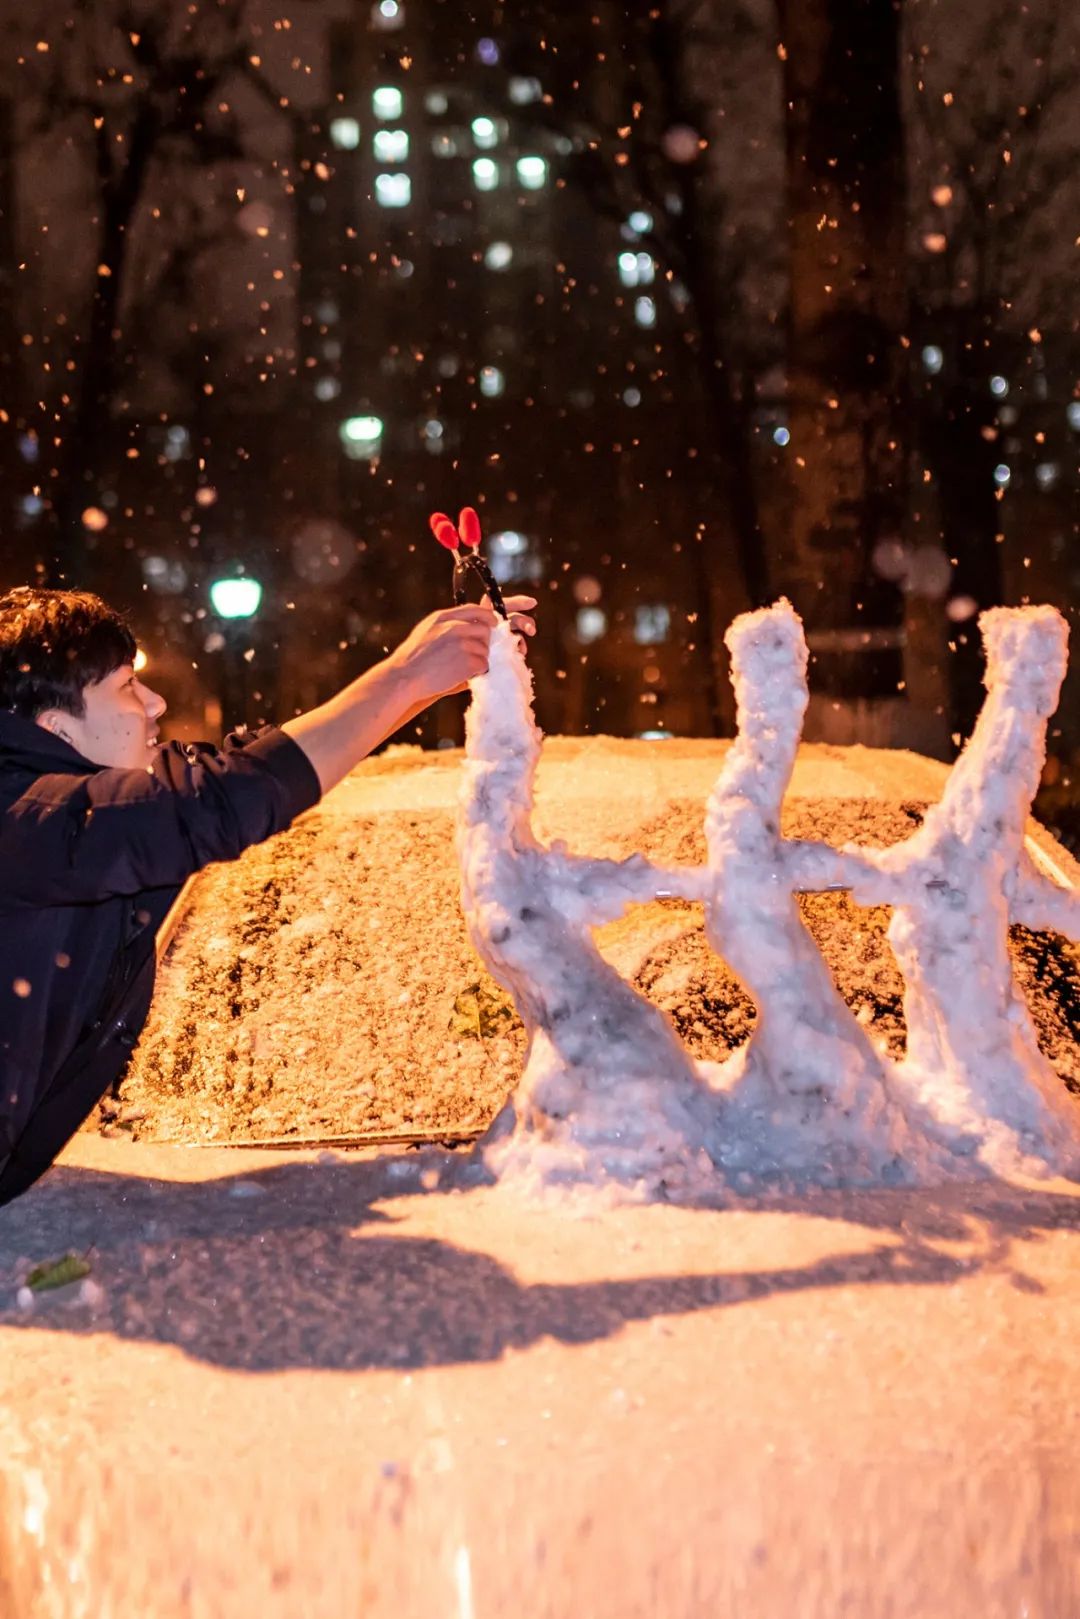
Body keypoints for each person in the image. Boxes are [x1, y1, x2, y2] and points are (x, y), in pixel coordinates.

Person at [0, 584, 536, 1208]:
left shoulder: (69, 814)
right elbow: (211, 805)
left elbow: (243, 771)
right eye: (125, 686)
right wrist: (402, 676)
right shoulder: (24, 821)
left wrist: (423, 683)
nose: (155, 701)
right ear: (55, 727)